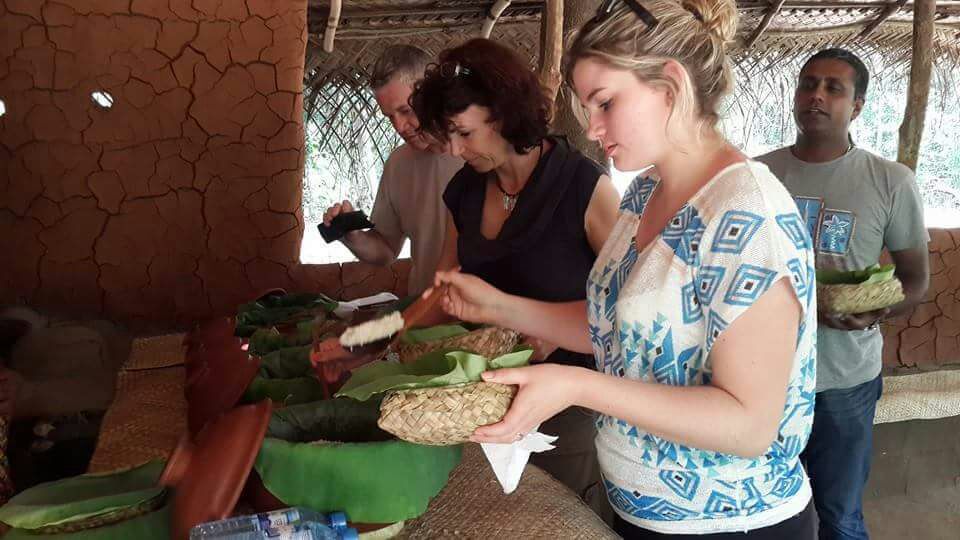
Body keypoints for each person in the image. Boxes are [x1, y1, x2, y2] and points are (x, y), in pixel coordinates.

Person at [428, 1, 819, 537]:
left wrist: (577, 387)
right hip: (640, 512)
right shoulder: (644, 194)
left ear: (671, 86)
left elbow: (750, 424)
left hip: (732, 523)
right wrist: (497, 305)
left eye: (605, 102)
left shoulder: (747, 213)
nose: (591, 128)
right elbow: (614, 329)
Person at [409, 38, 621, 507]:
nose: (454, 149)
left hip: (569, 406)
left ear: (504, 115)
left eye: (464, 133)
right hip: (484, 403)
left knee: (563, 520)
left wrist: (553, 332)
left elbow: (628, 309)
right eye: (448, 134)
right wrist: (380, 346)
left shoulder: (584, 188)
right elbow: (443, 290)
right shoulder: (464, 192)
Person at [756, 48, 930, 540]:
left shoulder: (889, 181)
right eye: (808, 84)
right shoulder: (757, 176)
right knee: (764, 512)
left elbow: (916, 280)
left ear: (857, 106)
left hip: (844, 381)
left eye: (834, 88)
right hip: (762, 379)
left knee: (839, 515)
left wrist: (875, 312)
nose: (817, 95)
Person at [322, 45, 463, 295]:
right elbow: (386, 250)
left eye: (405, 110)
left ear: (431, 92)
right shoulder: (398, 164)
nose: (399, 126)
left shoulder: (477, 156)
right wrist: (352, 237)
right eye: (389, 117)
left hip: (482, 319)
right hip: (423, 313)